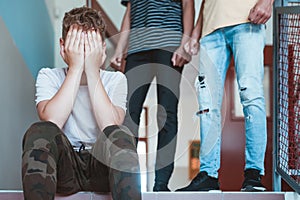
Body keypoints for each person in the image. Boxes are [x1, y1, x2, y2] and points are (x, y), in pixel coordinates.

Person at [22, 6, 141, 200]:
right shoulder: (48, 76)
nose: (84, 53)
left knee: (120, 134)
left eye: (90, 46)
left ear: (102, 48)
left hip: (101, 166)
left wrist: (93, 71)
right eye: (77, 45)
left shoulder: (116, 80)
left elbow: (109, 126)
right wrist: (76, 68)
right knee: (40, 130)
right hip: (64, 168)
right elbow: (52, 121)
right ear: (63, 47)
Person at [176, 0, 274, 192]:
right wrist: (196, 31)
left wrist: (267, 1)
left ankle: (253, 174)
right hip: (210, 30)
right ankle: (208, 174)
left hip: (247, 19)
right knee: (206, 105)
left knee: (251, 96)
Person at [110, 0, 194, 192]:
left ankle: (161, 184)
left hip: (169, 46)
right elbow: (130, 12)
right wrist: (119, 48)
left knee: (166, 115)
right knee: (128, 115)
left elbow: (188, 5)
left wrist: (184, 45)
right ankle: (127, 178)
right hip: (137, 50)